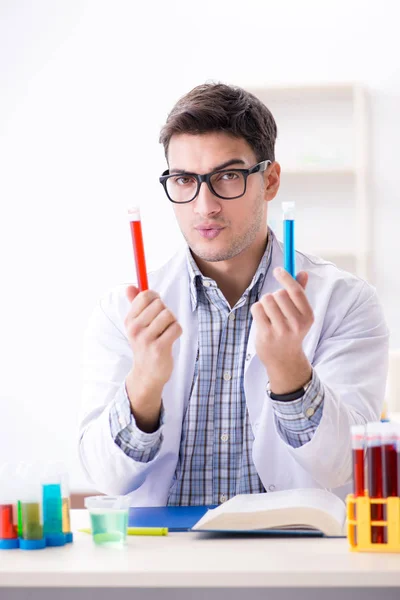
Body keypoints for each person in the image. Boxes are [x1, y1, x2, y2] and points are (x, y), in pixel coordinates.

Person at [79, 83, 389, 506]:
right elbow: (105, 476)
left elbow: (343, 466)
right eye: (185, 180)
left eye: (228, 176)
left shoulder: (346, 303)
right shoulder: (126, 311)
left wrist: (291, 374)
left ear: (271, 180)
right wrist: (145, 382)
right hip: (162, 557)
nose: (204, 205)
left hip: (291, 558)